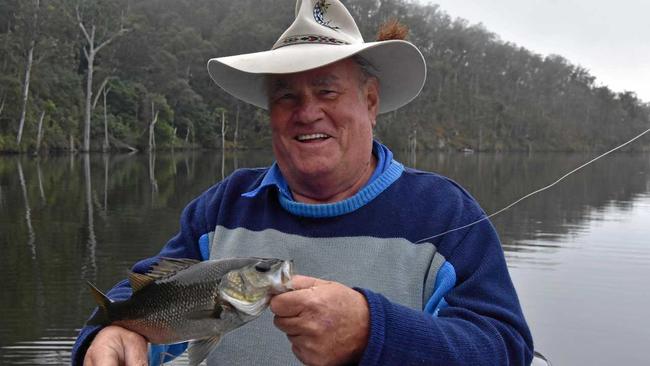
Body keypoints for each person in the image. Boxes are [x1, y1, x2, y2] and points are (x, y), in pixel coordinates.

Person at [73, 0, 534, 365]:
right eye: (286, 95)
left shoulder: (446, 213)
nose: (307, 111)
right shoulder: (225, 205)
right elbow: (152, 289)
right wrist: (110, 331)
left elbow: (504, 347)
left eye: (327, 90)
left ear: (370, 102)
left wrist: (376, 333)